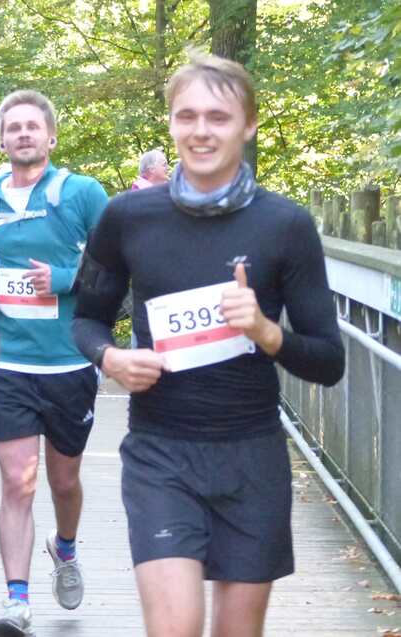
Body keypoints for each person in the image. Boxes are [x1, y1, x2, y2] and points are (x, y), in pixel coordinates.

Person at [73, 51, 345, 637]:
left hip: (252, 456)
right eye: (187, 116)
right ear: (171, 122)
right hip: (160, 453)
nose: (201, 131)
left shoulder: (286, 226)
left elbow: (329, 361)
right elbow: (85, 319)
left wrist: (267, 333)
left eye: (219, 117)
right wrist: (110, 357)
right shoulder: (126, 217)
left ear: (248, 125)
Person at [0, 89, 108, 637]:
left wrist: (67, 280)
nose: (23, 134)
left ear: (51, 136)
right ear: (2, 141)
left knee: (64, 481)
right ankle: (17, 602)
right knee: (17, 482)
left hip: (69, 362)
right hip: (8, 364)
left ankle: (65, 547)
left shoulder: (82, 193)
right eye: (13, 128)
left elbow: (117, 266)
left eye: (32, 126)